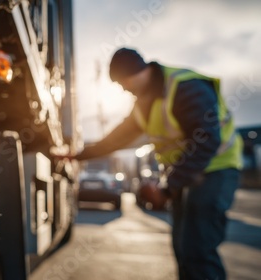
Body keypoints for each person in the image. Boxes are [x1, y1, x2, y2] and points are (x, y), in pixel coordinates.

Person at [69, 48, 243, 280]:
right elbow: (115, 140)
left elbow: (207, 140)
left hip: (216, 168)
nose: (123, 89)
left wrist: (167, 188)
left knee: (198, 249)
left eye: (122, 82)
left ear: (137, 72)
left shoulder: (184, 88)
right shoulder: (143, 104)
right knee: (183, 248)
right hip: (188, 175)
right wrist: (77, 156)